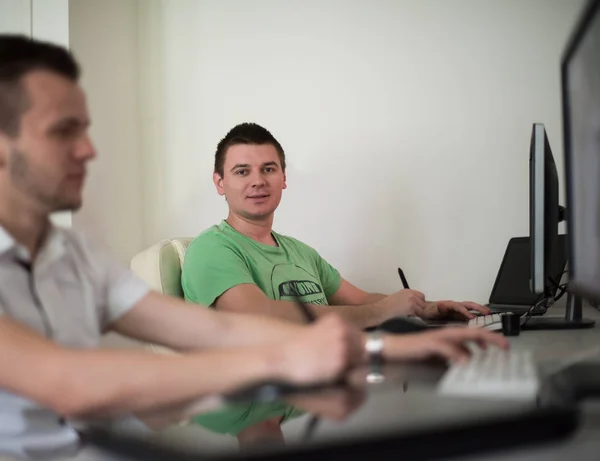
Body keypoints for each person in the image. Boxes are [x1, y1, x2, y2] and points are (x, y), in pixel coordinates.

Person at [0, 34, 506, 444]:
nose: (88, 150)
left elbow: (216, 334)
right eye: (63, 131)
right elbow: (72, 383)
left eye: (85, 130)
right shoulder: (213, 247)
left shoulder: (75, 257)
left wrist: (397, 349)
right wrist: (290, 357)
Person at [182, 122, 490, 329]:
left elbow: (361, 299)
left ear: (283, 178)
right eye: (241, 172)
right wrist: (379, 313)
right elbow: (258, 317)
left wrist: (426, 308)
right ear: (219, 183)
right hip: (260, 399)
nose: (258, 181)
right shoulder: (211, 248)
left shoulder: (300, 252)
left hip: (325, 389)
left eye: (268, 169)